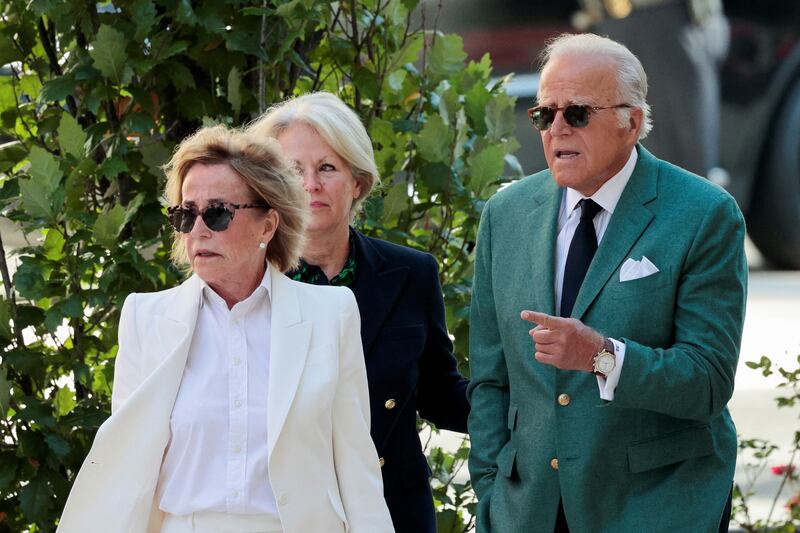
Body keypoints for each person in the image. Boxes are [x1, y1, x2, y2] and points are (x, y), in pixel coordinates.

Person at [467, 33, 747, 532]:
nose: (555, 129)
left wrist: (603, 356)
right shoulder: (506, 215)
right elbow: (491, 379)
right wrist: (491, 486)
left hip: (657, 506)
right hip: (529, 508)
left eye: (576, 113)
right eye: (543, 115)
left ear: (631, 122)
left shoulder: (703, 213)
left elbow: (706, 381)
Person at [57, 125, 393, 533]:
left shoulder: (330, 314)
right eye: (185, 214)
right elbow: (128, 471)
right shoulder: (146, 319)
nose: (198, 230)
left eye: (217, 213)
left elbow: (357, 468)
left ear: (268, 226)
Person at [248, 91, 470, 533]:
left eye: (327, 168)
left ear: (357, 182)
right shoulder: (249, 283)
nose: (310, 184)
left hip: (393, 509)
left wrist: (522, 402)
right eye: (294, 170)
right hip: (283, 514)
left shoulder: (412, 272)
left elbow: (439, 394)